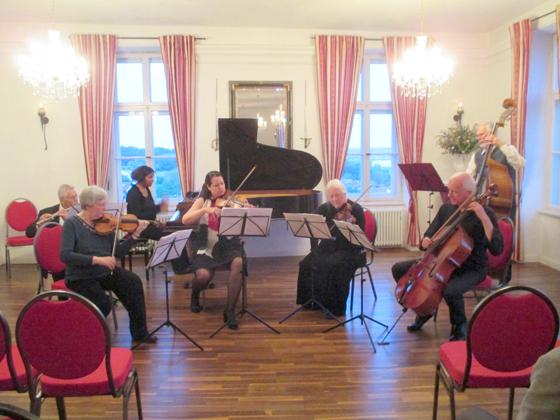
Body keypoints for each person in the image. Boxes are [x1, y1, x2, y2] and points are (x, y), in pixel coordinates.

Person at [391, 172, 503, 341]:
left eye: (454, 191)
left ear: (469, 193)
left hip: (471, 267)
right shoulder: (447, 209)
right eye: (448, 190)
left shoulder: (485, 213)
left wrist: (483, 216)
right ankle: (424, 310)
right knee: (399, 269)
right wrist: (426, 240)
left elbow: (497, 248)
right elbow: (429, 235)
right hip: (439, 262)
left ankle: (459, 325)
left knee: (450, 290)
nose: (448, 195)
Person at [60, 186, 157, 344]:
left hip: (103, 272)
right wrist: (97, 259)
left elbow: (118, 251)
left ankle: (140, 332)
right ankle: (88, 338)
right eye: (101, 204)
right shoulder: (72, 224)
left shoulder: (106, 223)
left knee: (132, 282)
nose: (105, 208)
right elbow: (65, 255)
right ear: (88, 205)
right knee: (102, 303)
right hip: (80, 276)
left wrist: (136, 234)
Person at [181, 171, 246, 330]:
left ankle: (229, 310)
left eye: (222, 183)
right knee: (203, 276)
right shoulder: (202, 201)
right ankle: (195, 295)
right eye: (216, 185)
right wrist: (205, 211)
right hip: (206, 245)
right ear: (209, 187)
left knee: (238, 262)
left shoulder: (232, 200)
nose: (220, 188)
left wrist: (246, 210)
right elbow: (185, 220)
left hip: (229, 245)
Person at [296, 179, 365, 318]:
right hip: (328, 247)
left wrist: (350, 225)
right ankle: (312, 301)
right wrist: (314, 250)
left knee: (333, 265)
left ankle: (335, 307)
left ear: (345, 194)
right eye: (331, 196)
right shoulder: (325, 207)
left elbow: (360, 236)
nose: (335, 199)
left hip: (349, 250)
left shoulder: (355, 209)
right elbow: (311, 225)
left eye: (338, 195)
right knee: (306, 263)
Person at [466, 122, 525, 220]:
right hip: (481, 201)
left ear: (491, 134)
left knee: (501, 230)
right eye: (478, 136)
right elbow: (469, 175)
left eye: (482, 135)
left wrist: (499, 143)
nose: (479, 138)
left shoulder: (506, 149)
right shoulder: (477, 154)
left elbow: (520, 163)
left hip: (502, 201)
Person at [26, 184, 79, 281]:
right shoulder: (48, 211)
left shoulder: (81, 213)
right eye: (73, 198)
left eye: (76, 196)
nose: (77, 200)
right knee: (60, 264)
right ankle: (63, 293)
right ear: (62, 200)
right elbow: (29, 233)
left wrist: (69, 221)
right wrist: (39, 223)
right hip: (57, 258)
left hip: (76, 254)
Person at [126, 165, 169, 240]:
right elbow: (137, 216)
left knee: (171, 230)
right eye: (150, 177)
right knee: (169, 233)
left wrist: (160, 207)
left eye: (152, 177)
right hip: (139, 228)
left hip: (149, 225)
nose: (152, 180)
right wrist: (159, 208)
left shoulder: (146, 189)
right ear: (141, 178)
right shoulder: (133, 193)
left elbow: (149, 210)